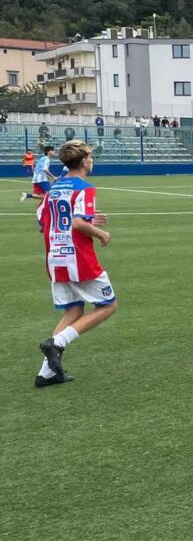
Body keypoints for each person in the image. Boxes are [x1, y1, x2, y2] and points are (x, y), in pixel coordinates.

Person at [33, 140, 117, 387]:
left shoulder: (54, 188)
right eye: (90, 157)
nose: (92, 160)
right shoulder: (84, 188)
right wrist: (101, 234)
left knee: (73, 311)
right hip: (78, 257)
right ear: (83, 161)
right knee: (108, 306)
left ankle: (46, 373)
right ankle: (58, 343)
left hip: (55, 257)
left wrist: (89, 221)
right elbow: (78, 223)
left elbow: (42, 224)